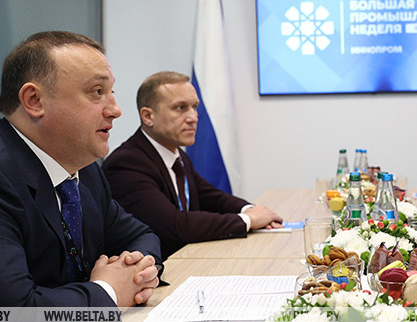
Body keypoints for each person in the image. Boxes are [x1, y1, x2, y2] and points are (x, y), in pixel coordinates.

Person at [0, 31, 162, 322]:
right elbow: (14, 318)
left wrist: (136, 272)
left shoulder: (83, 170)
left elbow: (141, 236)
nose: (115, 109)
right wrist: (109, 291)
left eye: (111, 92)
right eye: (97, 92)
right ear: (34, 101)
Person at [102, 71, 283, 260]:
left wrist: (250, 210)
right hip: (155, 270)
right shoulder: (127, 163)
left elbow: (211, 197)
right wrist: (248, 220)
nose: (193, 117)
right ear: (148, 116)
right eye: (180, 108)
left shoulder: (176, 154)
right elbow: (175, 226)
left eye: (194, 107)